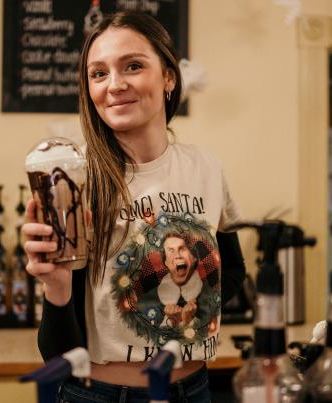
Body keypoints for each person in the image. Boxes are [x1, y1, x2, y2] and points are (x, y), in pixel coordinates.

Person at [22, 10, 246, 403]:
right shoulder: (75, 181)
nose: (115, 84)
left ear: (169, 77)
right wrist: (55, 287)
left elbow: (234, 275)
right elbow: (56, 353)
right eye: (98, 73)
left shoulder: (205, 167)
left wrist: (183, 312)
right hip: (103, 395)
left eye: (133, 66)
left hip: (194, 390)